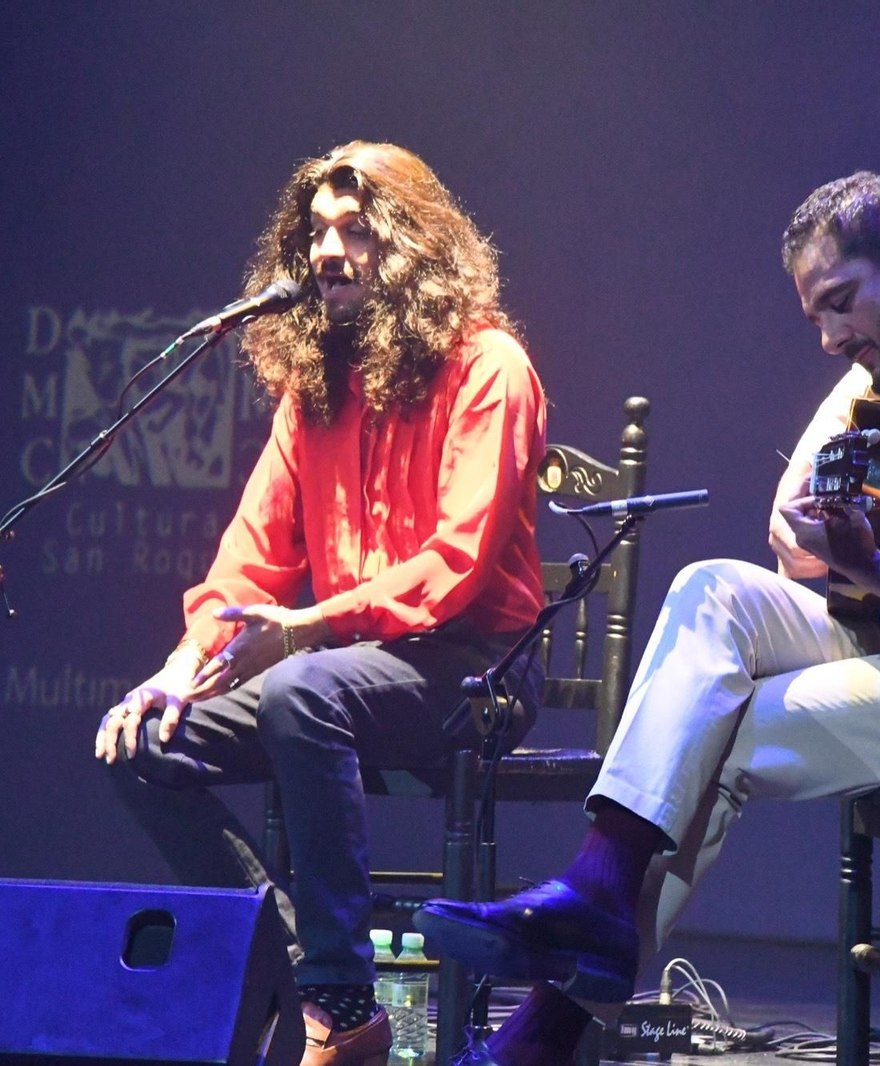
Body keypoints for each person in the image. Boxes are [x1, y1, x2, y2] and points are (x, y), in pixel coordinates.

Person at [414, 171, 880, 1065]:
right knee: (711, 590)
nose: (829, 338)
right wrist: (819, 529)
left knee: (720, 732)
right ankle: (593, 909)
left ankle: (547, 1019)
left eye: (840, 305)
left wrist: (879, 578)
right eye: (816, 316)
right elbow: (790, 523)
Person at [96, 141, 547, 1066]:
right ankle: (304, 975)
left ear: (416, 244)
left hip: (472, 667)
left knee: (303, 691)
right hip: (347, 668)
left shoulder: (490, 367)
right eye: (314, 236)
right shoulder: (314, 392)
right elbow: (245, 565)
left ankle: (338, 1010)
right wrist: (180, 670)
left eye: (354, 230)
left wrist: (300, 630)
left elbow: (453, 568)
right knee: (141, 738)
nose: (328, 253)